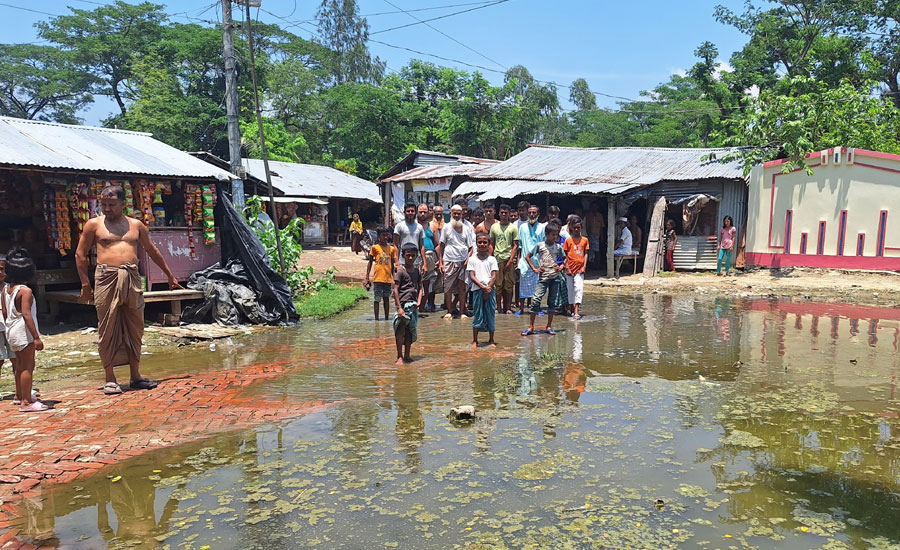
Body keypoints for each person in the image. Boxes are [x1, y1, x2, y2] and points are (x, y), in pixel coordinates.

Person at [76, 186, 183, 396]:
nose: (107, 209)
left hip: (132, 277)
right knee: (107, 327)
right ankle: (110, 378)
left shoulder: (136, 225)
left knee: (135, 326)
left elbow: (152, 250)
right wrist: (85, 284)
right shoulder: (93, 225)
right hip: (106, 277)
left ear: (123, 203)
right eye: (104, 204)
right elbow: (80, 255)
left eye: (111, 204)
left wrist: (170, 276)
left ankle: (135, 376)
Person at [2, 248, 46, 412]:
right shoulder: (25, 291)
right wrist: (36, 337)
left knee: (19, 365)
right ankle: (27, 402)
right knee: (28, 365)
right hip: (23, 331)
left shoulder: (6, 290)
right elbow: (27, 315)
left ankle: (20, 395)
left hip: (11, 330)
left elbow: (6, 312)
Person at [522, 222, 564, 336]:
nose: (555, 237)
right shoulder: (540, 245)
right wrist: (535, 269)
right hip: (543, 277)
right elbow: (527, 256)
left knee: (552, 302)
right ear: (546, 234)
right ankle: (531, 327)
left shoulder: (558, 247)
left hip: (555, 277)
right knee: (536, 300)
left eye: (556, 235)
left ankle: (549, 326)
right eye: (553, 235)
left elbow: (566, 259)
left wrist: (561, 267)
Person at [438, 205, 475, 319]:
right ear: (451, 214)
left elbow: (471, 248)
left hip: (463, 261)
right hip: (449, 260)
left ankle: (462, 312)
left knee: (462, 288)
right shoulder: (446, 227)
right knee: (448, 288)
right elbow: (441, 245)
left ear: (461, 214)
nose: (457, 215)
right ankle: (449, 311)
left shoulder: (467, 228)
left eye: (459, 213)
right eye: (455, 213)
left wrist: (468, 259)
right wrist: (440, 263)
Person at [392, 244, 423, 365]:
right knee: (400, 330)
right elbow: (395, 289)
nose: (410, 258)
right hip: (403, 304)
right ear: (403, 256)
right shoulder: (400, 272)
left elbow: (420, 288)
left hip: (413, 305)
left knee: (410, 330)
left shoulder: (417, 271)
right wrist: (399, 307)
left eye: (413, 256)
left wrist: (419, 301)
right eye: (408, 255)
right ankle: (399, 356)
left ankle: (407, 355)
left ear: (417, 257)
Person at [467, 233, 498, 348]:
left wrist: (488, 287)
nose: (482, 244)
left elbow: (494, 276)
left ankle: (491, 339)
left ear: (489, 244)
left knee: (490, 313)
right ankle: (475, 340)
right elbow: (472, 276)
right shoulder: (472, 259)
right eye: (480, 242)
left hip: (490, 289)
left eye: (485, 242)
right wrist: (483, 287)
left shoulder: (492, 259)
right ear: (476, 243)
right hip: (477, 290)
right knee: (478, 314)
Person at [489, 204, 518, 314]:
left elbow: (515, 245)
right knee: (498, 285)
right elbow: (491, 243)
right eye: (502, 212)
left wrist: (511, 260)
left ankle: (508, 308)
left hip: (508, 259)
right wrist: (491, 259)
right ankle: (498, 308)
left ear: (509, 214)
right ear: (499, 213)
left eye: (506, 212)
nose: (504, 214)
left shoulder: (513, 228)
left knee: (509, 285)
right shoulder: (494, 227)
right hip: (497, 259)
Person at [516, 204, 545, 314]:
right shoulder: (522, 227)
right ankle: (521, 309)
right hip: (524, 262)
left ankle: (536, 308)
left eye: (534, 213)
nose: (532, 215)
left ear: (538, 214)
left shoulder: (542, 227)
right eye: (530, 213)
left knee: (538, 288)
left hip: (537, 262)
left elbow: (543, 246)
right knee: (523, 287)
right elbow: (520, 245)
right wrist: (518, 259)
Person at [365, 227, 397, 320]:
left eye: (387, 235)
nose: (385, 237)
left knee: (386, 298)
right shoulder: (375, 248)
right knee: (377, 299)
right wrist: (367, 277)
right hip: (378, 278)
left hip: (387, 279)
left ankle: (387, 318)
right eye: (383, 235)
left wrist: (393, 278)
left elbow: (392, 264)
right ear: (379, 236)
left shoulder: (391, 249)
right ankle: (376, 319)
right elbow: (370, 262)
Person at [563, 216, 589, 320]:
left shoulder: (585, 240)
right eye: (575, 228)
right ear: (572, 228)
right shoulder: (568, 240)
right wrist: (567, 267)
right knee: (570, 289)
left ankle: (577, 309)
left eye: (578, 227)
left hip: (580, 268)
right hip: (570, 268)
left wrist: (584, 266)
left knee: (578, 288)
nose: (577, 230)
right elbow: (565, 255)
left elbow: (586, 254)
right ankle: (571, 307)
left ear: (581, 227)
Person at [418, 204, 439, 311]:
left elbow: (437, 245)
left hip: (431, 256)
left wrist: (440, 260)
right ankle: (417, 305)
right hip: (417, 257)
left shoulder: (432, 227)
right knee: (417, 282)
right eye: (420, 211)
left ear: (428, 213)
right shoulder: (414, 226)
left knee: (429, 282)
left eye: (424, 212)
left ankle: (425, 306)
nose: (422, 214)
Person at [393, 202, 426, 268]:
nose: (410, 213)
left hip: (416, 262)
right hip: (402, 262)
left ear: (415, 212)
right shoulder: (399, 226)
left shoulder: (419, 227)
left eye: (412, 211)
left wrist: (424, 263)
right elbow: (395, 245)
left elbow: (421, 246)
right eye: (408, 211)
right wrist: (396, 262)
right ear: (404, 212)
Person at [429, 205, 445, 310]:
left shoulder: (447, 226)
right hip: (433, 255)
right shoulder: (430, 225)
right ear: (433, 214)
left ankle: (446, 303)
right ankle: (431, 304)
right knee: (432, 280)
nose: (438, 216)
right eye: (436, 214)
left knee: (444, 280)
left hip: (445, 256)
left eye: (440, 213)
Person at [585, 201, 605, 266]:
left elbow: (601, 226)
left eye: (595, 207)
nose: (594, 208)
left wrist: (602, 236)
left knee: (597, 250)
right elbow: (586, 225)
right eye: (593, 207)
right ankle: (592, 264)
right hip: (589, 234)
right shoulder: (588, 215)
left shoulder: (600, 215)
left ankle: (598, 264)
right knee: (590, 250)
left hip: (597, 234)